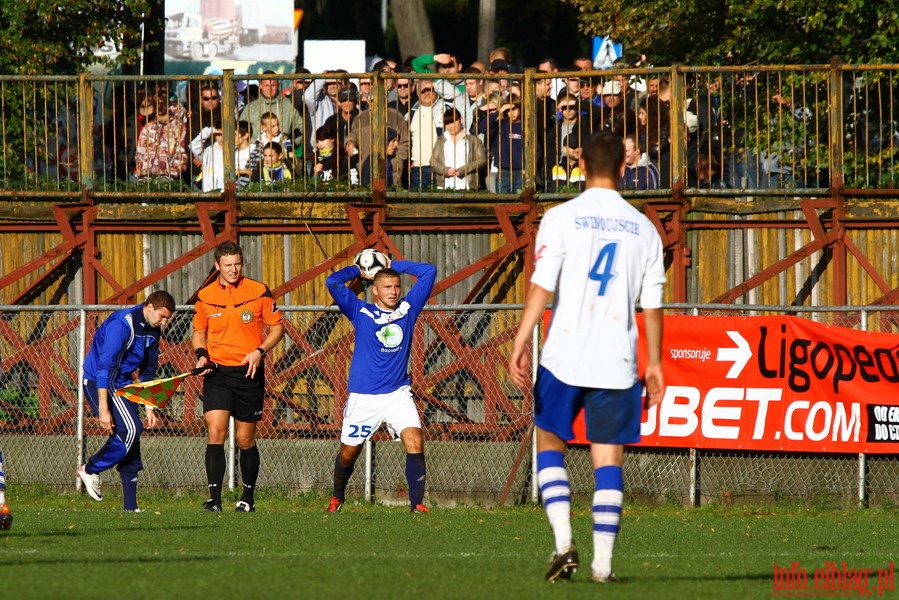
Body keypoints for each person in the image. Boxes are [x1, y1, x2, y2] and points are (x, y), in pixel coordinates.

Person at [509, 131, 666, 583]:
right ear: (623, 169)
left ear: (581, 166)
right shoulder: (644, 229)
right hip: (616, 360)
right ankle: (603, 565)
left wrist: (522, 339)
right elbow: (651, 305)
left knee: (549, 443)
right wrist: (653, 363)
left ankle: (562, 544)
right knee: (608, 460)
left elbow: (543, 284)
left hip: (564, 355)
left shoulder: (561, 217)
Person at [325, 254, 437, 514]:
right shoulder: (360, 310)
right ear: (374, 290)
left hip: (397, 394)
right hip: (364, 398)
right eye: (387, 287)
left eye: (397, 286)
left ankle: (416, 505)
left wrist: (391, 266)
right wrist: (357, 270)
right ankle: (337, 496)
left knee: (415, 440)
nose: (393, 292)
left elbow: (429, 270)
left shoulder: (407, 310)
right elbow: (332, 283)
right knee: (348, 454)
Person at [192, 241, 285, 512]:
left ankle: (247, 497)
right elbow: (199, 332)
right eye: (228, 265)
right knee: (215, 430)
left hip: (249, 372)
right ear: (217, 266)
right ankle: (214, 499)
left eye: (237, 264)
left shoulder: (258, 291)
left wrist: (260, 350)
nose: (233, 269)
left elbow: (277, 328)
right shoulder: (205, 296)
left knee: (245, 439)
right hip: (217, 372)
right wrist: (201, 354)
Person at [77, 290, 176, 512]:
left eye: (167, 318)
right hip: (99, 381)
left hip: (123, 384)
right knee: (131, 429)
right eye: (162, 316)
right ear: (149, 307)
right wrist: (103, 409)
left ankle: (131, 507)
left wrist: (148, 406)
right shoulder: (122, 325)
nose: (164, 322)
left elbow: (148, 370)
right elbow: (104, 367)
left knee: (132, 439)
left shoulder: (153, 330)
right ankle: (91, 469)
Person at [431, 108, 487, 190]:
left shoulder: (473, 140)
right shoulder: (441, 141)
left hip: (467, 185)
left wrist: (465, 169)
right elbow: (433, 161)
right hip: (445, 185)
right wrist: (446, 171)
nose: (451, 126)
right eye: (447, 123)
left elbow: (482, 160)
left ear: (461, 120)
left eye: (453, 121)